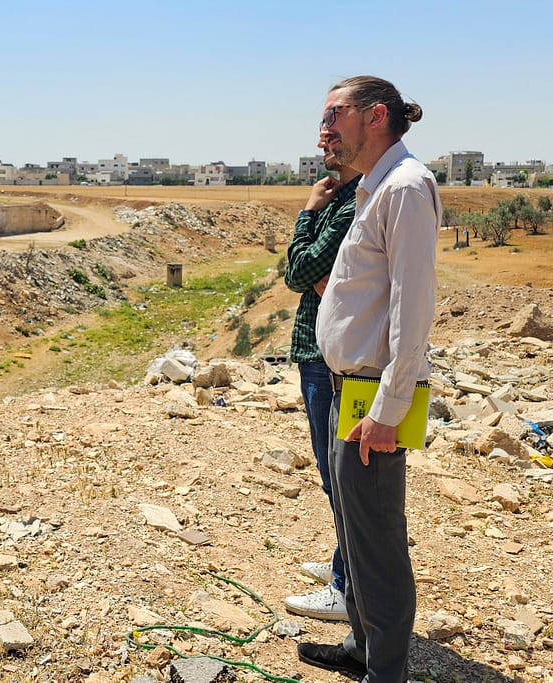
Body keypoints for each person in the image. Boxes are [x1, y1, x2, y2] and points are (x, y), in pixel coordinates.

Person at [297, 76, 440, 683]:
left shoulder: (406, 188)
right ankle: (362, 647)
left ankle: (386, 670)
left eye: (334, 115)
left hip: (371, 396)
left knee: (377, 541)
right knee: (354, 532)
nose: (323, 129)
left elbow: (414, 308)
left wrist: (388, 409)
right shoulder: (372, 191)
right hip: (344, 386)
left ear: (375, 116)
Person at [282, 140, 361, 622]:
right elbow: (308, 274)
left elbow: (297, 270)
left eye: (332, 126)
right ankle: (342, 565)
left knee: (340, 479)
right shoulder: (347, 199)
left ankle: (345, 587)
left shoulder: (347, 204)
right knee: (335, 476)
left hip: (326, 356)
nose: (322, 141)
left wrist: (309, 212)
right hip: (322, 351)